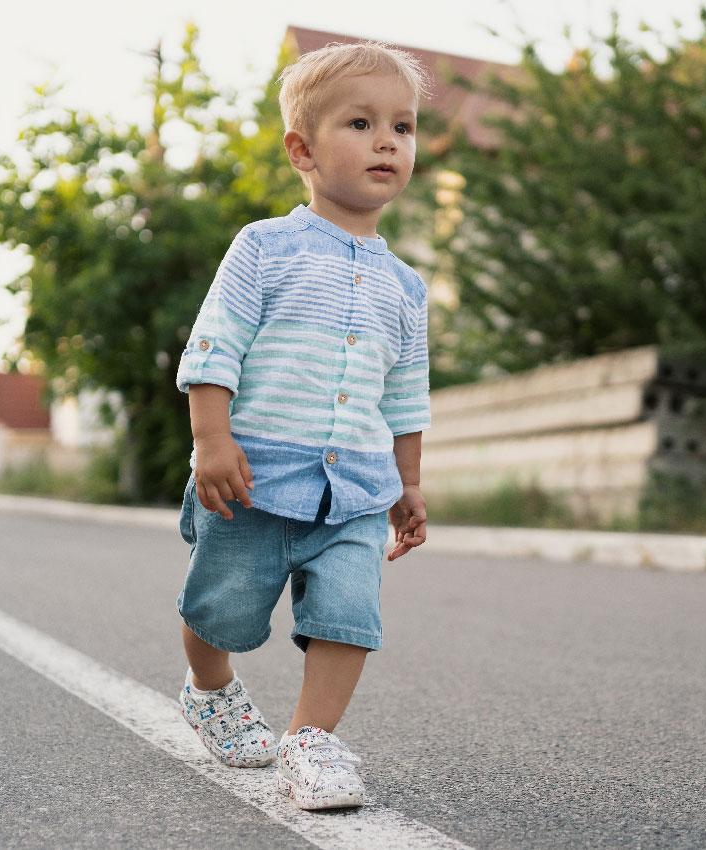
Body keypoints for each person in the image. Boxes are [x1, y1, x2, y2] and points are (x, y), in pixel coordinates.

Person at [171, 40, 433, 811]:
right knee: (217, 609)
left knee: (350, 615)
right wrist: (211, 441)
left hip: (354, 488)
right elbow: (214, 346)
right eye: (360, 122)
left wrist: (408, 483)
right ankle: (208, 686)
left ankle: (310, 742)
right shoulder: (265, 248)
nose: (388, 141)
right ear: (303, 150)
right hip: (254, 479)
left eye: (404, 127)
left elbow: (406, 398)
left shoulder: (407, 288)